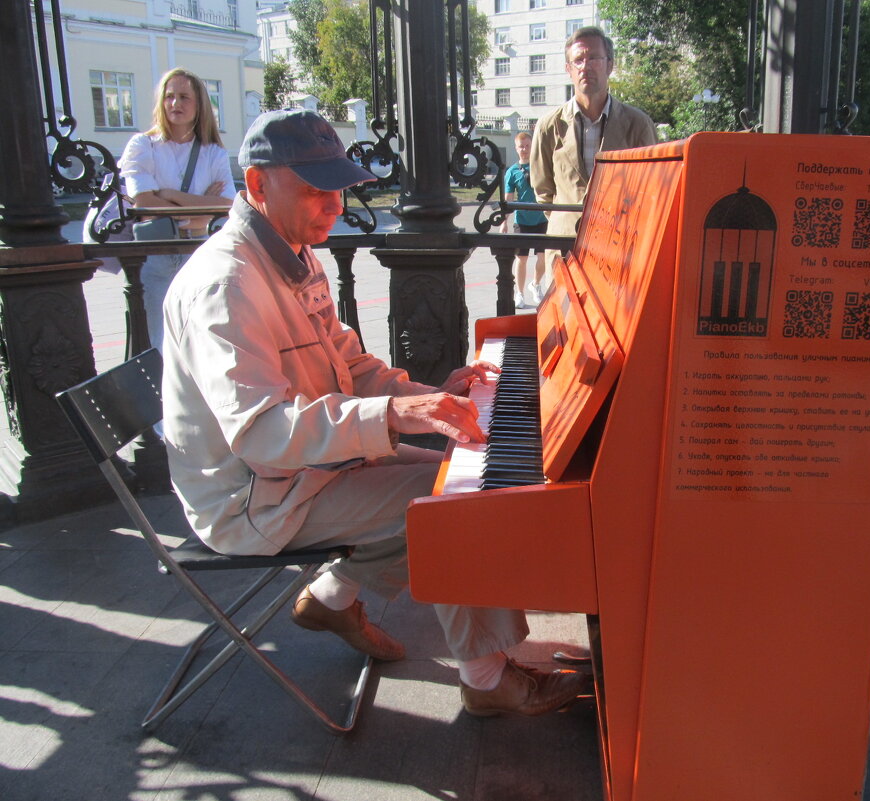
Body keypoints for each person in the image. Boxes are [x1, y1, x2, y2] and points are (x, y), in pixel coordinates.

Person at [161, 109, 587, 717]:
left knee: (452, 474)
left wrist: (425, 396)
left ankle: (332, 598)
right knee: (457, 507)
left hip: (301, 474)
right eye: (314, 188)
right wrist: (392, 414)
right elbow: (258, 434)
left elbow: (347, 365)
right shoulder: (226, 284)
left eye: (338, 186)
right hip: (254, 500)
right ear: (257, 186)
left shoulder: (290, 253)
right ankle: (487, 681)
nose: (334, 204)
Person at [119, 67, 236, 351]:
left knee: (204, 341)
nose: (175, 103)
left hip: (199, 252)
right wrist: (199, 210)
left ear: (199, 106)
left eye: (184, 97)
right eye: (169, 96)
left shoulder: (213, 153)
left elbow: (228, 207)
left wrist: (170, 195)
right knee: (160, 344)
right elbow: (144, 204)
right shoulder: (143, 145)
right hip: (156, 256)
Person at [530, 26, 658, 238]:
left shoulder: (638, 124)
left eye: (594, 58)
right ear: (568, 69)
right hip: (565, 247)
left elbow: (653, 187)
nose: (585, 66)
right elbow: (543, 191)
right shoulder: (548, 126)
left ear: (609, 65)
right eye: (578, 60)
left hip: (620, 244)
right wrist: (565, 221)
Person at [501, 131, 547, 308]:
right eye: (522, 147)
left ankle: (535, 284)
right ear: (516, 148)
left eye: (528, 146)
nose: (525, 150)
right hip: (522, 220)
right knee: (521, 258)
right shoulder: (512, 172)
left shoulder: (540, 167)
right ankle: (519, 293)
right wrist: (504, 221)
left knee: (542, 256)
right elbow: (509, 198)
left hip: (541, 218)